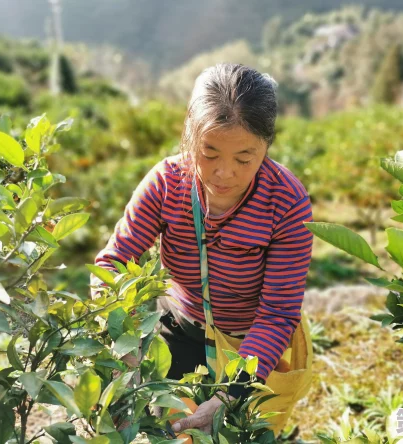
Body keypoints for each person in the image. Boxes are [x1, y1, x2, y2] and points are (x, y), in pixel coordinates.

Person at [91, 63, 313, 434]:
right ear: (190, 137)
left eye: (244, 158)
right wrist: (122, 338)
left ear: (267, 146)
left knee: (241, 433)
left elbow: (277, 312)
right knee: (160, 429)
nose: (224, 173)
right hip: (180, 330)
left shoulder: (286, 201)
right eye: (209, 153)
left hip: (251, 345)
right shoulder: (167, 184)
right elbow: (112, 263)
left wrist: (233, 390)